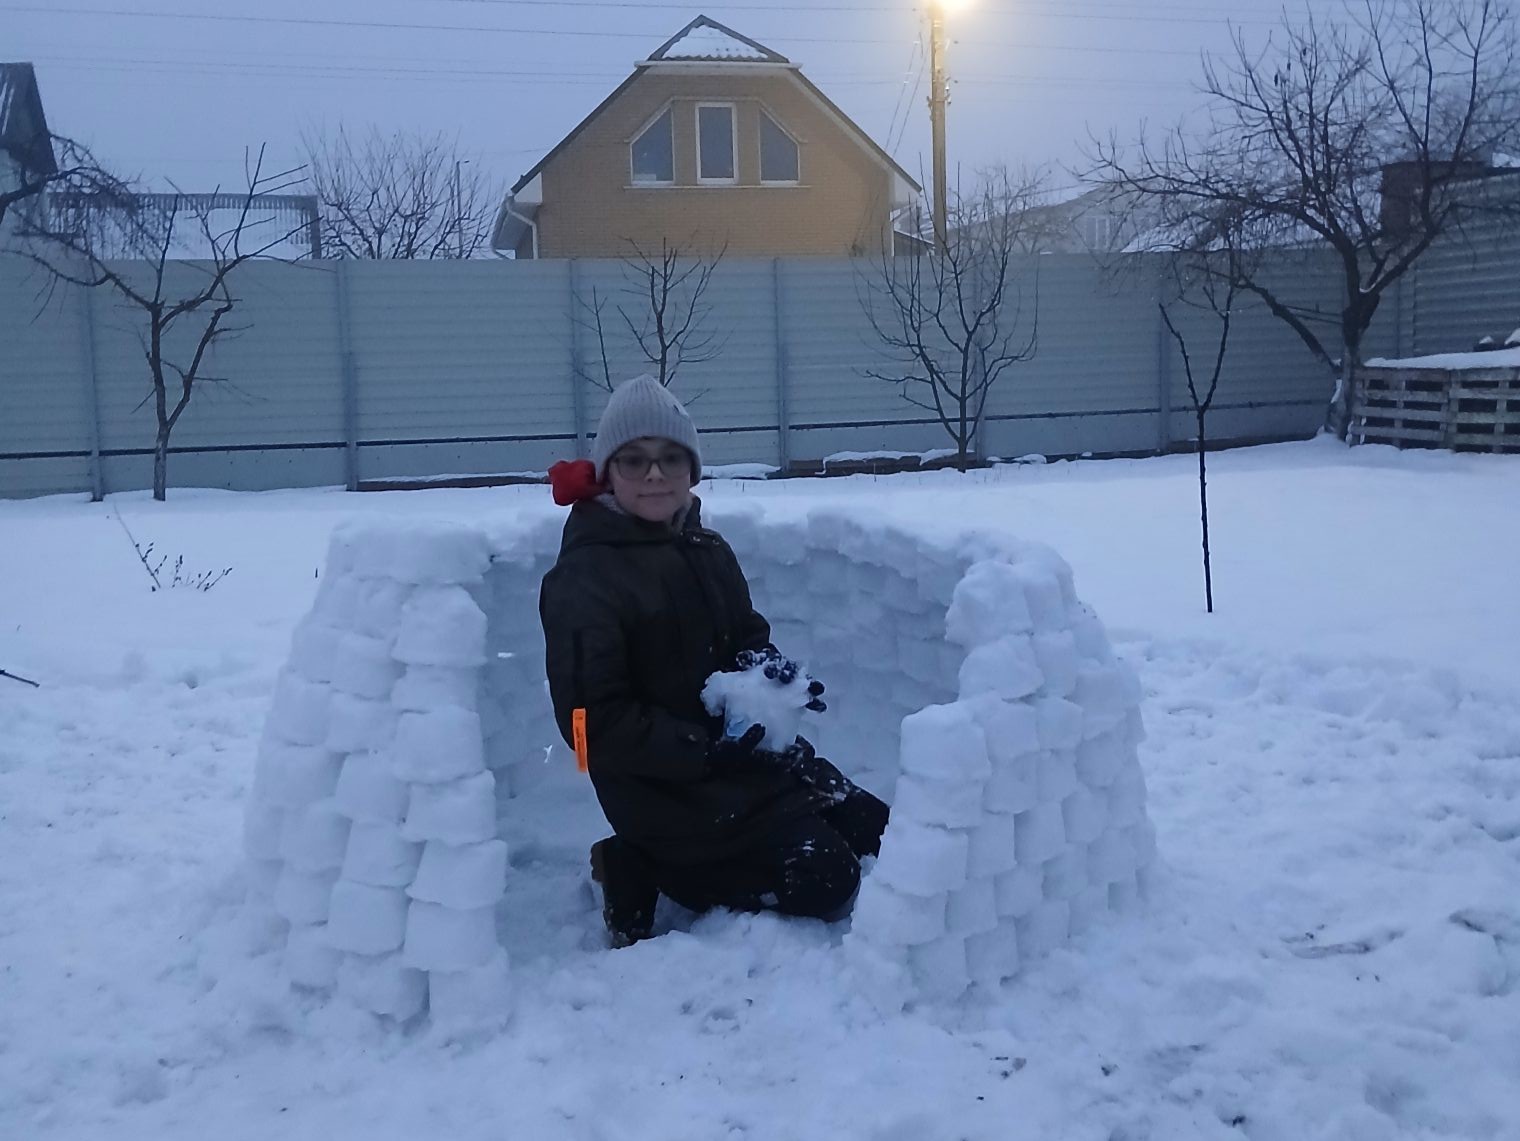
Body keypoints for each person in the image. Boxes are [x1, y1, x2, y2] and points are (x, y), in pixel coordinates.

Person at [539, 374, 890, 948]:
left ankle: (747, 828)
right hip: (665, 796)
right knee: (829, 878)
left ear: (691, 470)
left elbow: (745, 636)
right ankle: (636, 862)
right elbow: (585, 729)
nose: (655, 473)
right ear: (608, 472)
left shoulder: (706, 549)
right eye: (634, 460)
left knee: (883, 833)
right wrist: (703, 751)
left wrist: (774, 678)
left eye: (670, 458)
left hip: (748, 761)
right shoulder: (584, 580)